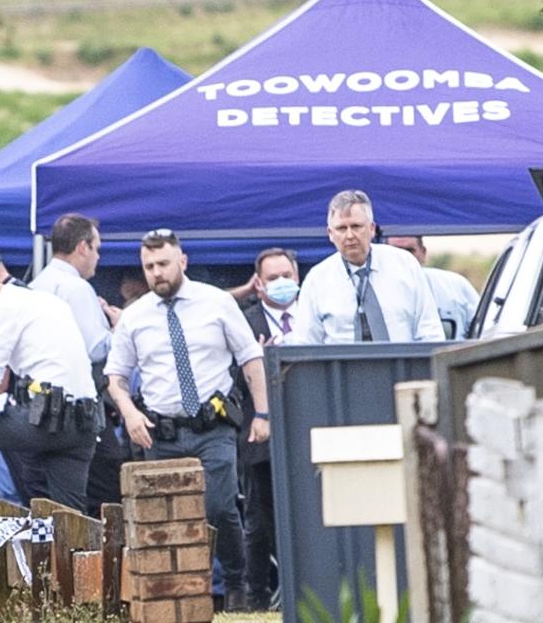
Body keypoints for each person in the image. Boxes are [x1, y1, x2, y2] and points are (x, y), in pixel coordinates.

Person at [104, 229, 270, 612]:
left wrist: (261, 414)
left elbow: (250, 358)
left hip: (212, 427)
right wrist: (129, 413)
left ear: (183, 261)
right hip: (160, 433)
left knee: (219, 508)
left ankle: (235, 587)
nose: (156, 273)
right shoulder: (134, 316)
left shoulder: (216, 303)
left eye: (163, 263)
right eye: (149, 267)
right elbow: (115, 377)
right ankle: (174, 592)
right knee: (162, 515)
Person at [0, 271, 99, 512]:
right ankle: (80, 548)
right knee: (69, 519)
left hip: (49, 420)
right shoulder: (45, 300)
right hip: (84, 421)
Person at [30, 213, 128, 515]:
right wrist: (118, 327)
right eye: (97, 248)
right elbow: (96, 349)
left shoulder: (35, 286)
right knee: (108, 491)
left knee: (52, 500)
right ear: (82, 247)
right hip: (81, 408)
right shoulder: (76, 288)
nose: (98, 257)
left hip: (38, 408)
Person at [289, 190, 445, 344]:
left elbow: (430, 331)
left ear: (371, 228)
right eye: (342, 228)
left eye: (356, 226)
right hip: (341, 368)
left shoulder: (405, 265)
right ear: (330, 233)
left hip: (403, 367)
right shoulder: (317, 279)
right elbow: (305, 344)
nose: (350, 235)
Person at [236, 247, 298, 610]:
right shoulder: (245, 323)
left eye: (286, 276)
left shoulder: (312, 316)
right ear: (258, 284)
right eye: (272, 278)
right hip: (260, 437)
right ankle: (256, 597)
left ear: (297, 277)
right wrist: (255, 362)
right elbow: (228, 378)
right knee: (260, 521)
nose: (280, 284)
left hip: (305, 429)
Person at [386, 235, 481, 339]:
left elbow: (483, 330)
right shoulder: (371, 291)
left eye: (409, 251)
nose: (404, 258)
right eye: (396, 251)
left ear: (423, 253)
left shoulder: (456, 285)